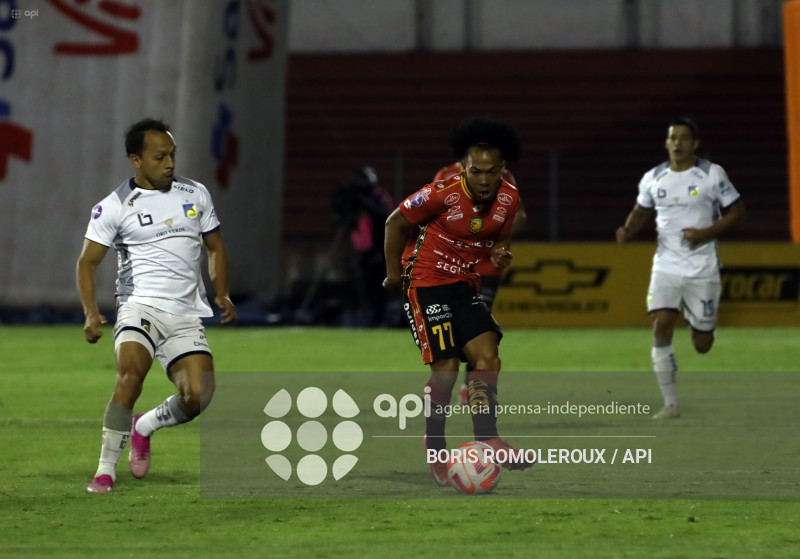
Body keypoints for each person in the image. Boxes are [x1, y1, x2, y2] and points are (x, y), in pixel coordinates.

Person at [77, 118, 236, 493]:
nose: (169, 164)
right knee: (130, 375)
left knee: (199, 395)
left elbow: (215, 246)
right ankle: (105, 470)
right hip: (139, 307)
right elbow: (87, 263)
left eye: (172, 156)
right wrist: (89, 312)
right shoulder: (114, 206)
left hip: (185, 314)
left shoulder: (195, 193)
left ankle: (144, 426)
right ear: (136, 159)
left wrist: (222, 290)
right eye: (160, 157)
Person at [383, 116, 534, 486]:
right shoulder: (441, 191)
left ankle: (488, 436)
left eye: (491, 171)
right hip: (426, 281)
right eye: (476, 170)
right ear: (464, 167)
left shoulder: (509, 198)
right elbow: (394, 223)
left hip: (464, 283)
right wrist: (392, 275)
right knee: (447, 370)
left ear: (503, 169)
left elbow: (500, 236)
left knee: (488, 354)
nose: (483, 179)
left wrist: (501, 251)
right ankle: (435, 445)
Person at [616, 116, 745, 419]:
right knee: (661, 325)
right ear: (666, 143)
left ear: (695, 143)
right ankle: (671, 403)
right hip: (666, 266)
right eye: (672, 138)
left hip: (703, 268)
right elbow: (641, 210)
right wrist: (628, 230)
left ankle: (699, 321)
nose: (677, 143)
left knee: (702, 344)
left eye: (683, 138)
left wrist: (705, 234)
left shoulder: (712, 174)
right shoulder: (653, 178)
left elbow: (738, 212)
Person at [432, 162, 527, 405]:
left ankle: (470, 387)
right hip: (452, 266)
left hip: (486, 266)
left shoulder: (503, 175)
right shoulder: (446, 174)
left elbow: (518, 216)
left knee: (478, 327)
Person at [332, 166, 394, 326]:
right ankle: (366, 316)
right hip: (363, 248)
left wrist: (362, 201)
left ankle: (380, 318)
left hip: (380, 248)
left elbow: (384, 216)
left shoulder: (379, 197)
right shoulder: (358, 202)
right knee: (364, 284)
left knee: (378, 285)